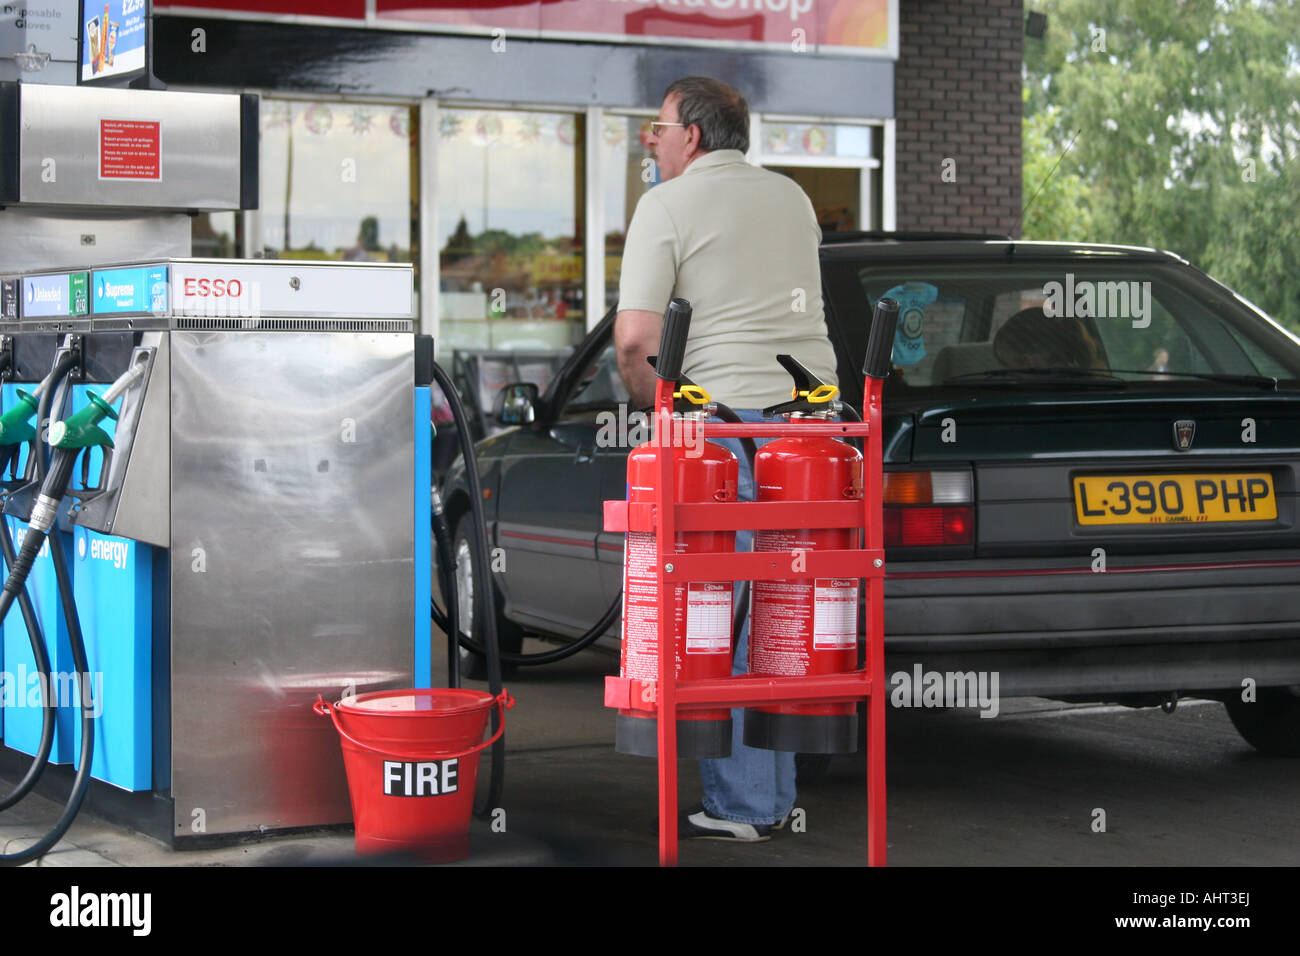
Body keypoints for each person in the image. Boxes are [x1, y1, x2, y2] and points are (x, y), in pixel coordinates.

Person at [614, 77, 838, 841]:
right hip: (815, 431)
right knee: (787, 613)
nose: (652, 138)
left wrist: (664, 410)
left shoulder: (666, 205)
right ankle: (772, 798)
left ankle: (744, 806)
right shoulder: (794, 199)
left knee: (721, 612)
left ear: (694, 139)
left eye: (660, 127)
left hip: (727, 429)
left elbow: (635, 341)